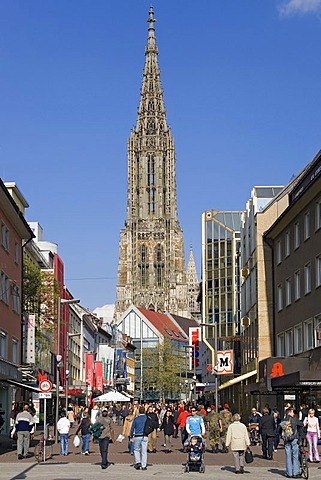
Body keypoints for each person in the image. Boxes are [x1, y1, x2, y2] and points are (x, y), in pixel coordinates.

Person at [280, 406, 304, 478]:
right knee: (295, 455)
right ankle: (295, 472)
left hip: (286, 440)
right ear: (290, 412)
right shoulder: (295, 420)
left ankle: (289, 473)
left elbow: (279, 430)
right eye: (293, 412)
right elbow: (301, 424)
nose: (293, 413)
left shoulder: (283, 421)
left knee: (288, 456)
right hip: (294, 438)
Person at [130, 405, 148, 470]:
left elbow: (132, 428)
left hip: (137, 435)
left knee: (136, 449)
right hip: (145, 435)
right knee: (144, 451)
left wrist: (131, 436)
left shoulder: (136, 419)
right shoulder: (147, 418)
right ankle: (144, 465)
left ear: (139, 411)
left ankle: (138, 462)